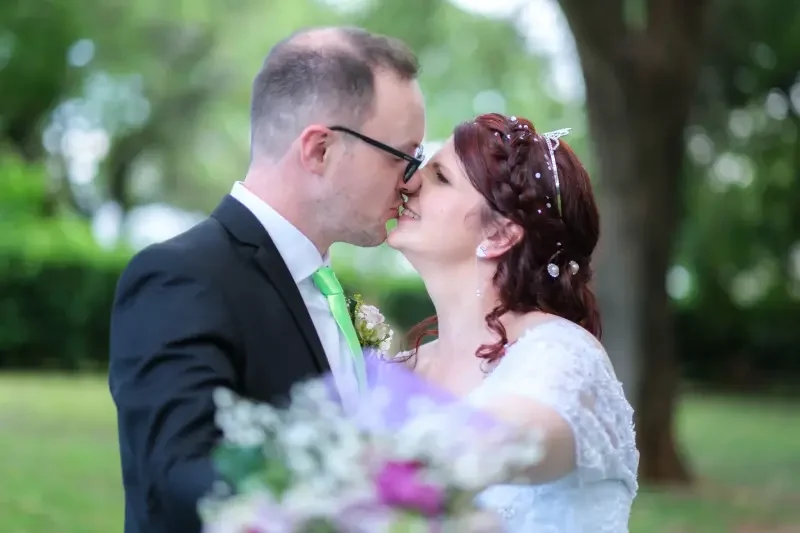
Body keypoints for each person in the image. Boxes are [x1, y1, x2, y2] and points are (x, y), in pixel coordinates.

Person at [108, 26, 425, 533]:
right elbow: (181, 474)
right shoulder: (181, 277)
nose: (413, 180)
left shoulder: (323, 285)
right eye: (402, 157)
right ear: (320, 150)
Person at [387, 113, 639, 531]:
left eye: (441, 177)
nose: (408, 183)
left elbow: (511, 439)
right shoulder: (400, 369)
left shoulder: (563, 354)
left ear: (500, 234)